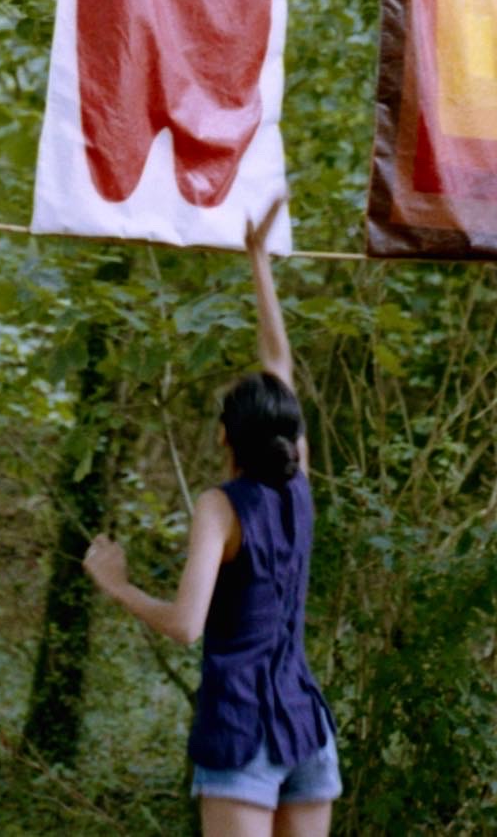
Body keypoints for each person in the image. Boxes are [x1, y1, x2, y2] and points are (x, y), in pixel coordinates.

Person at [83, 196, 341, 836]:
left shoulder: (220, 508)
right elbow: (277, 367)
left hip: (241, 731)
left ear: (226, 437)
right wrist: (258, 260)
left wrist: (114, 584)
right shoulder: (297, 485)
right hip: (306, 727)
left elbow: (185, 627)